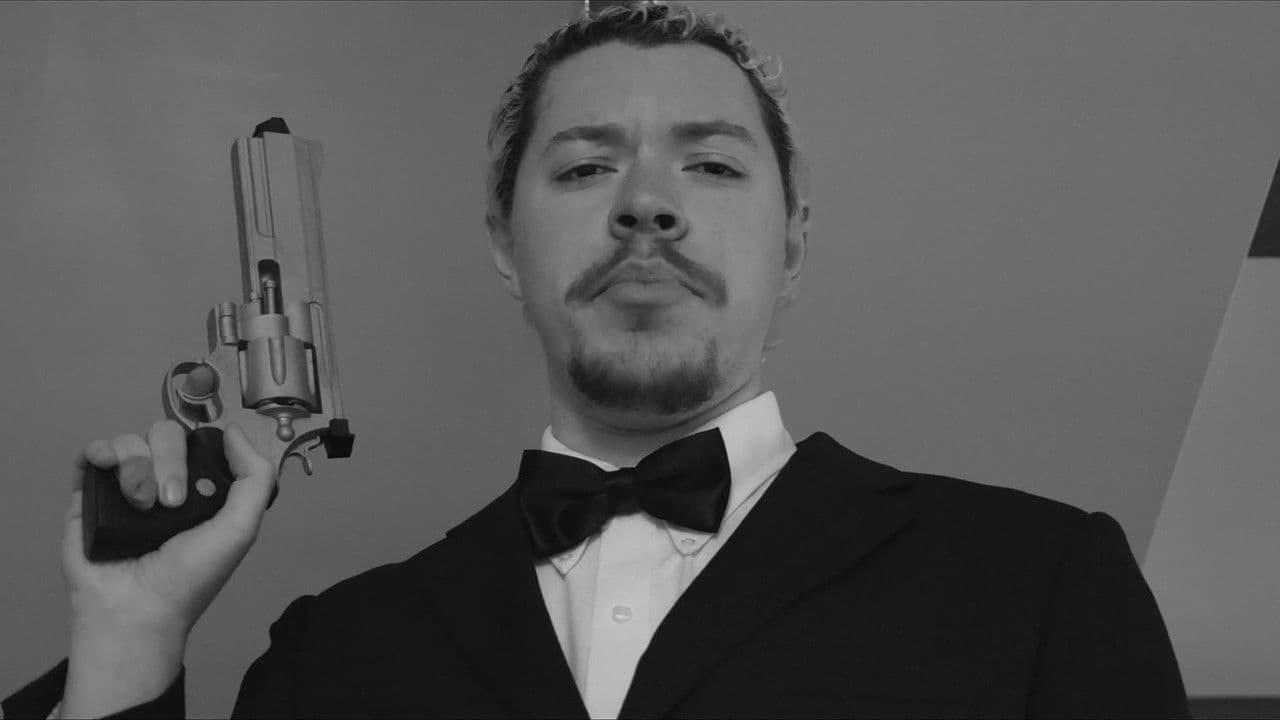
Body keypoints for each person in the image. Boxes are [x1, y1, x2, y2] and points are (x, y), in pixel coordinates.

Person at [4, 3, 1190, 718]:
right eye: (582, 168)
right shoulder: (334, 653)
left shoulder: (1039, 580)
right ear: (503, 245)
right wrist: (129, 633)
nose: (645, 205)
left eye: (710, 165)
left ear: (791, 242)